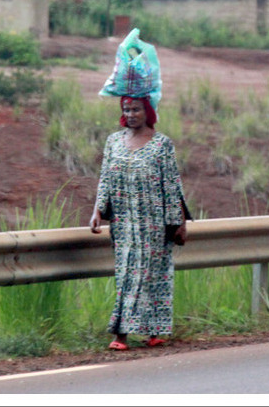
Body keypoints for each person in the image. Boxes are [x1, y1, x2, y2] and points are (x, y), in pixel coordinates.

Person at [89, 95, 190, 351]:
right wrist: (98, 210)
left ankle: (122, 334)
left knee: (147, 274)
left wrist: (179, 222)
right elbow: (105, 179)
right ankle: (154, 331)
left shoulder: (161, 144)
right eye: (127, 109)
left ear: (148, 112)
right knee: (127, 275)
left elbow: (172, 185)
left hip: (153, 222)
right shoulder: (113, 141)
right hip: (123, 223)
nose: (131, 114)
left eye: (136, 109)